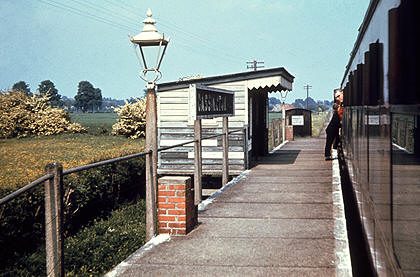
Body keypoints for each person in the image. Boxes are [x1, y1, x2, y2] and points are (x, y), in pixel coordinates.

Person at [325, 90, 343, 160]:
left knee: (335, 140)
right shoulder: (338, 111)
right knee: (329, 142)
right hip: (332, 129)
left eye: (338, 96)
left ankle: (332, 151)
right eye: (336, 97)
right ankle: (327, 155)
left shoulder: (338, 109)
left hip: (334, 128)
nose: (337, 99)